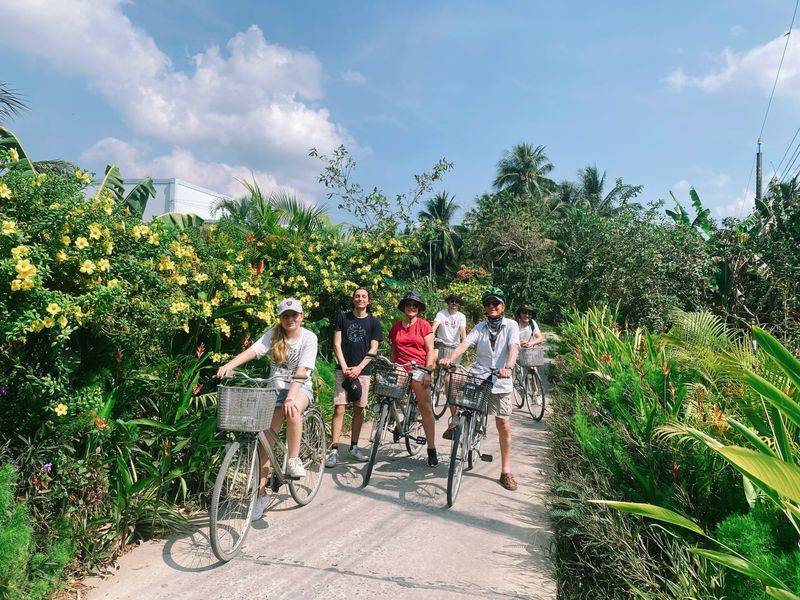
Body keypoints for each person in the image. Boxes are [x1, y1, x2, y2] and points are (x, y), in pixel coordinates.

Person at [216, 297, 318, 519]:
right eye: (286, 315)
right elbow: (252, 351)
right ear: (280, 318)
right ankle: (260, 494)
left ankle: (293, 459)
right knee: (264, 444)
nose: (290, 319)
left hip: (300, 388)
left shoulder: (309, 338)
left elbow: (302, 371)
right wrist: (229, 365)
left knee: (292, 411)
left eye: (294, 315)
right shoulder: (273, 335)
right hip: (275, 390)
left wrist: (291, 397)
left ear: (301, 317)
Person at [439, 287, 520, 491]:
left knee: (503, 423)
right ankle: (456, 420)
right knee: (452, 381)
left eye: (496, 303)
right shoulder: (480, 327)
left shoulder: (511, 325)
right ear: (484, 308)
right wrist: (450, 358)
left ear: (503, 306)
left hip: (501, 378)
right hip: (479, 375)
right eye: (488, 304)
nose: (492, 307)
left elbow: (514, 348)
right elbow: (465, 344)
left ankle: (506, 471)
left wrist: (508, 367)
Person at [325, 287, 383, 468]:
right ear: (353, 299)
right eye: (357, 296)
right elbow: (337, 343)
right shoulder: (342, 318)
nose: (360, 299)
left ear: (369, 301)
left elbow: (373, 349)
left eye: (364, 296)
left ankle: (354, 447)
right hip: (343, 370)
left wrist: (358, 368)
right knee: (340, 409)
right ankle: (334, 450)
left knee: (359, 409)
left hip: (363, 372)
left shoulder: (374, 323)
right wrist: (344, 367)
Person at [388, 291, 438, 467]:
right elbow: (393, 348)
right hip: (401, 367)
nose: (411, 308)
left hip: (419, 368)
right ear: (404, 307)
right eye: (408, 304)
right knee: (388, 393)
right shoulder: (396, 326)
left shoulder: (424, 326)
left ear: (419, 309)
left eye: (415, 305)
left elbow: (430, 350)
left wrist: (428, 371)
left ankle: (431, 449)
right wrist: (393, 366)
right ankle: (394, 419)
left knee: (425, 407)